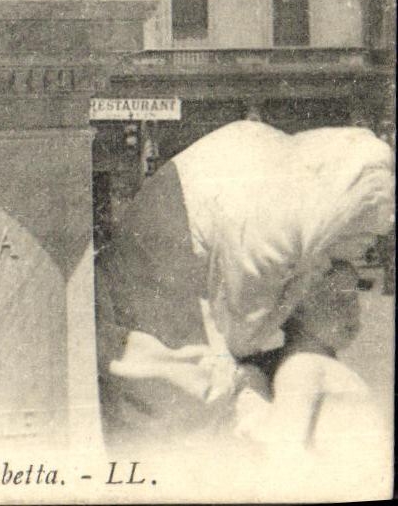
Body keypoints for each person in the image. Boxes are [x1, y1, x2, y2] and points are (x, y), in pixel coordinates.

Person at [95, 119, 394, 444]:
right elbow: (240, 329)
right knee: (190, 395)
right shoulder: (273, 224)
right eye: (365, 234)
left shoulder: (290, 198)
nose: (369, 246)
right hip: (164, 279)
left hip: (175, 257)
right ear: (338, 215)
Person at [235, 260, 390, 494]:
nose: (353, 310)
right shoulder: (304, 366)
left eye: (354, 297)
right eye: (338, 299)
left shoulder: (314, 366)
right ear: (294, 309)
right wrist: (252, 407)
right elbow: (283, 453)